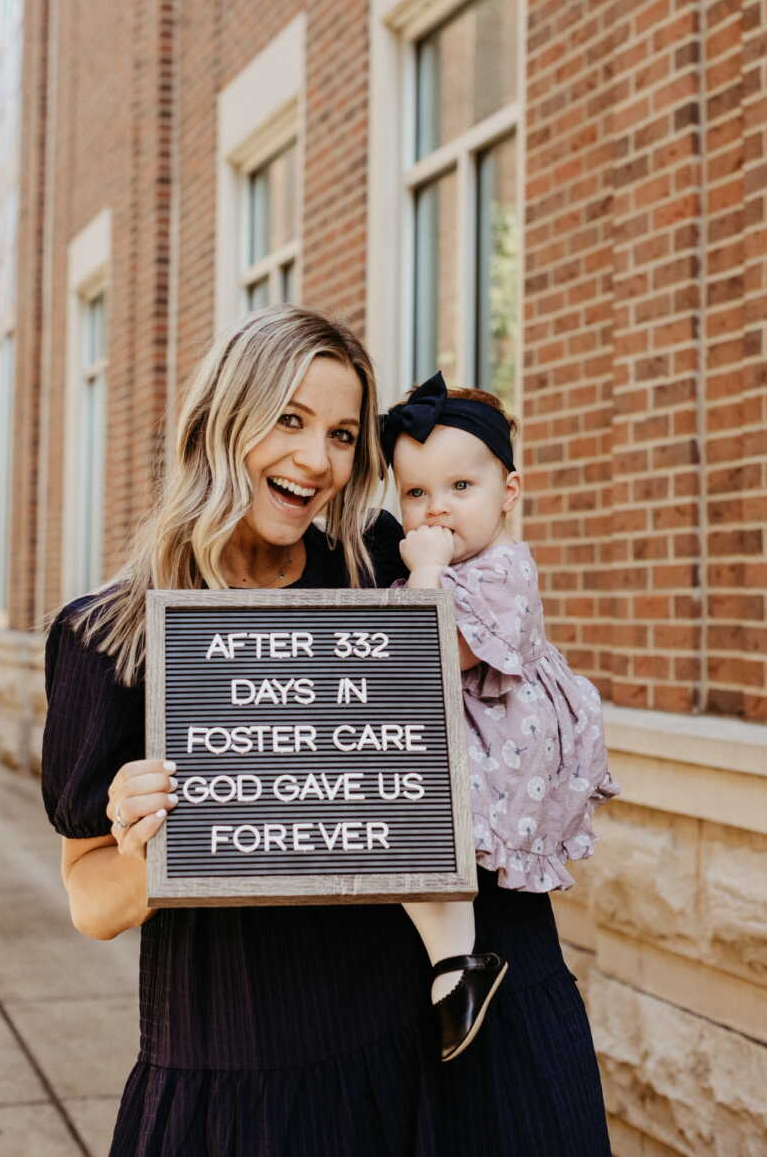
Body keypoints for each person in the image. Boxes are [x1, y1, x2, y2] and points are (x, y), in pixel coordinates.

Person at [42, 305, 613, 1155]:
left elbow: (511, 656)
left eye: (344, 435)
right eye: (289, 419)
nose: (318, 461)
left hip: (457, 1029)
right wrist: (150, 839)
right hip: (257, 1057)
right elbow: (91, 898)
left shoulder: (391, 566)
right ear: (218, 422)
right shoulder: (113, 636)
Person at [381, 372, 619, 1066]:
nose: (437, 512)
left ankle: (458, 964)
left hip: (502, 747)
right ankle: (456, 967)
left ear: (507, 494)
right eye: (417, 494)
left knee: (422, 836)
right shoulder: (439, 568)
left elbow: (421, 659)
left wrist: (423, 574)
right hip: (461, 743)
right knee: (412, 846)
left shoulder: (503, 570)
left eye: (461, 488)